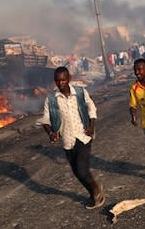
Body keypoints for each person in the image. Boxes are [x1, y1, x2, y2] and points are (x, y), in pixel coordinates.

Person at [37, 66, 104, 209]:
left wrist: (91, 126)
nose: (60, 83)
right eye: (57, 80)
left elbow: (91, 108)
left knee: (81, 168)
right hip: (67, 139)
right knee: (77, 172)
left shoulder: (80, 92)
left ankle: (96, 189)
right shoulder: (51, 99)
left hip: (83, 135)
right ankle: (93, 193)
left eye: (63, 79)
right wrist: (50, 133)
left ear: (69, 79)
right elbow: (45, 120)